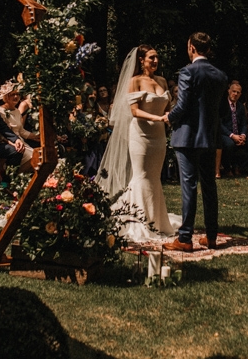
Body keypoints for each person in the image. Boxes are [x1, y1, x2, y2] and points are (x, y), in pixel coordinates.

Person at [96, 45, 179, 242]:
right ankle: (137, 219)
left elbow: (167, 105)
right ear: (141, 60)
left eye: (157, 57)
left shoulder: (161, 81)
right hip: (141, 134)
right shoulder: (135, 81)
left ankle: (157, 220)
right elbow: (134, 111)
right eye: (151, 58)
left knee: (154, 176)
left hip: (159, 136)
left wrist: (168, 116)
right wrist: (157, 118)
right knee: (141, 175)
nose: (156, 61)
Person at [162, 33, 228, 252]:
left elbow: (183, 106)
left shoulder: (187, 72)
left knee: (189, 186)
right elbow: (223, 111)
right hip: (210, 137)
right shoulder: (220, 75)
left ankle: (185, 238)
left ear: (191, 48)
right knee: (209, 186)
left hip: (188, 137)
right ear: (207, 49)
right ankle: (210, 236)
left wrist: (169, 117)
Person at [220, 81, 248, 176]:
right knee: (229, 144)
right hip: (226, 134)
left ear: (240, 94)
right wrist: (232, 136)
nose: (235, 94)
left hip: (239, 134)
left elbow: (243, 124)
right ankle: (227, 168)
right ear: (229, 91)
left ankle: (241, 167)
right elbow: (219, 124)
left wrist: (242, 135)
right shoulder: (222, 105)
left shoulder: (241, 107)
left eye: (238, 92)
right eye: (234, 91)